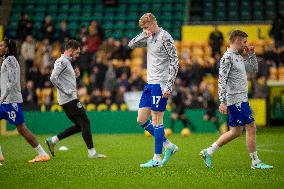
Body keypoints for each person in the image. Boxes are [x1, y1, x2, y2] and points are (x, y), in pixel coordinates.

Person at [200, 30, 273, 169]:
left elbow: (253, 68)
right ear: (238, 41)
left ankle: (208, 152)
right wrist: (222, 101)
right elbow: (222, 80)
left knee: (236, 132)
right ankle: (255, 162)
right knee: (251, 127)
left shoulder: (238, 56)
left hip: (240, 99)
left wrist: (251, 54)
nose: (246, 45)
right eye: (244, 42)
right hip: (236, 100)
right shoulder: (227, 57)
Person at [128, 13, 179, 168]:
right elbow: (131, 44)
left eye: (146, 26)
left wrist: (169, 85)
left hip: (161, 84)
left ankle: (157, 159)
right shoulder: (149, 37)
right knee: (141, 119)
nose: (145, 30)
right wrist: (144, 33)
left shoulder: (165, 37)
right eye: (143, 28)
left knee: (157, 120)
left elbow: (174, 62)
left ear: (153, 22)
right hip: (150, 83)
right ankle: (168, 145)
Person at [46, 39, 106, 159]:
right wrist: (65, 90)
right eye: (77, 53)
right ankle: (92, 153)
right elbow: (53, 77)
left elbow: (64, 78)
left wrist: (75, 75)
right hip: (69, 99)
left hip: (67, 99)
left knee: (80, 125)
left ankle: (53, 140)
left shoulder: (66, 62)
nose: (77, 55)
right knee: (85, 122)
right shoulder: (62, 61)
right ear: (71, 50)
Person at [0, 37, 50, 163]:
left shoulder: (10, 60)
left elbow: (11, 83)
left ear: (7, 48)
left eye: (2, 46)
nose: (0, 48)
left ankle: (42, 153)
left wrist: (1, 98)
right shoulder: (7, 60)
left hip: (11, 101)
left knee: (21, 128)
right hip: (6, 100)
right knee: (21, 128)